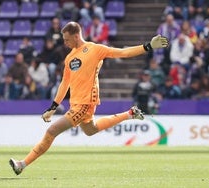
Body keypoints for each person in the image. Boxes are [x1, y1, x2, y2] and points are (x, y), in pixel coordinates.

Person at [9, 22, 168, 175]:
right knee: (90, 130)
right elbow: (65, 83)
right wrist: (53, 107)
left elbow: (122, 53)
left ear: (76, 36)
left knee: (51, 131)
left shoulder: (95, 49)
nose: (65, 43)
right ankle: (130, 114)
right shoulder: (70, 57)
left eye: (67, 39)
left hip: (86, 102)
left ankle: (22, 164)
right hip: (76, 103)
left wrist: (148, 46)